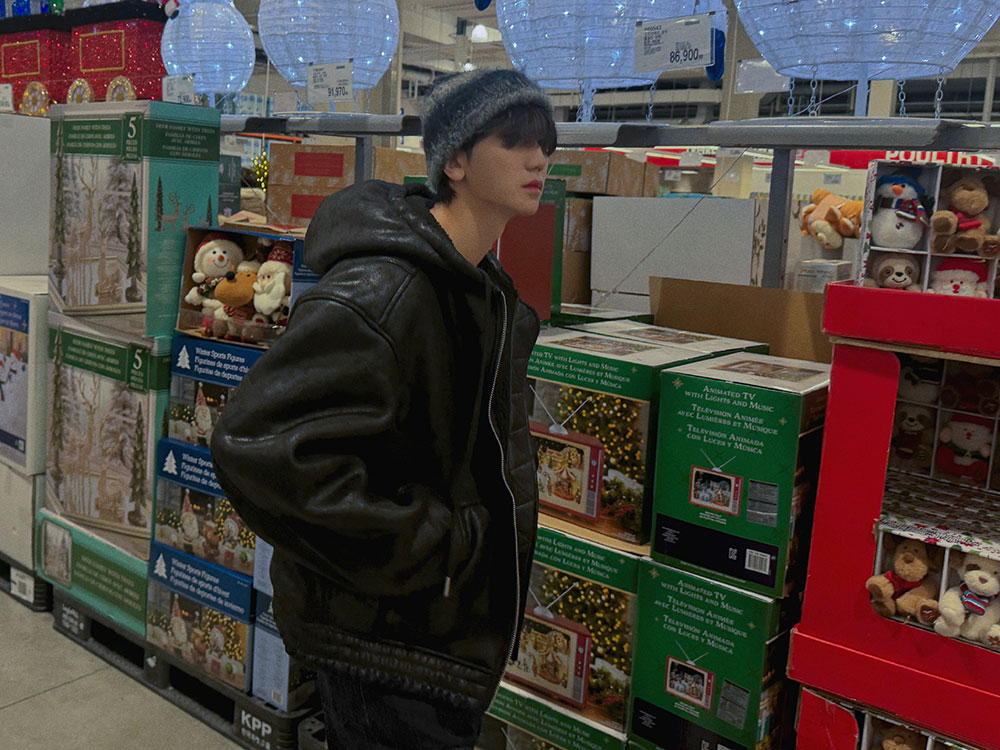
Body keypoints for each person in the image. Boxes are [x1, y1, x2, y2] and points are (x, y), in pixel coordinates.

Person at [210, 68, 557, 749]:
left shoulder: (480, 288)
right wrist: (431, 546)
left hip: (435, 629)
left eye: (544, 142)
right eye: (514, 141)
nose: (538, 158)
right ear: (455, 161)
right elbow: (255, 446)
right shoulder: (387, 291)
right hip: (385, 643)